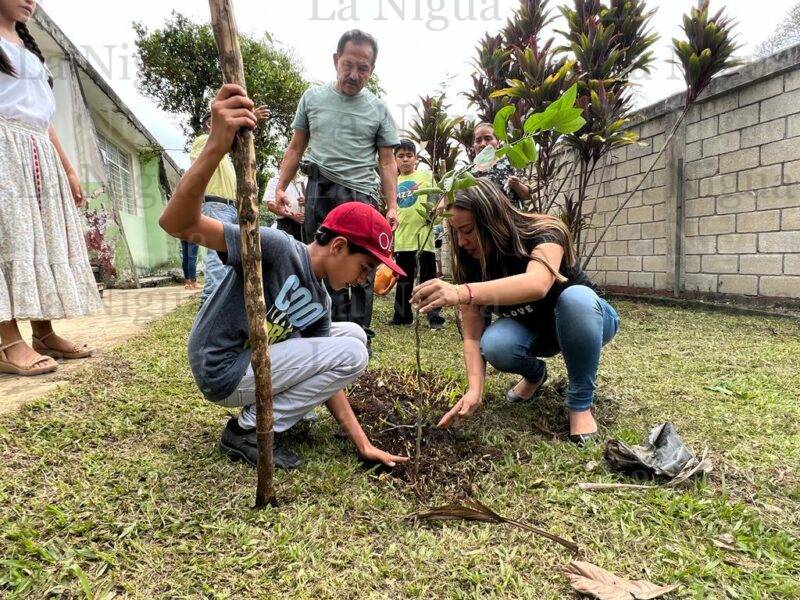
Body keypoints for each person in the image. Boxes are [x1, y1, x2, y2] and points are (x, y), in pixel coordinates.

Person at [159, 84, 408, 470]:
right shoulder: (276, 248)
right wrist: (217, 145)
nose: (362, 280)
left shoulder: (321, 301)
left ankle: (274, 417)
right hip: (222, 366)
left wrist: (363, 443)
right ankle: (248, 429)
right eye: (364, 267)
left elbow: (329, 372)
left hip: (254, 365)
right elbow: (177, 223)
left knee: (354, 337)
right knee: (353, 349)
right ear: (338, 246)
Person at [411, 179, 620, 445]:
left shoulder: (545, 231)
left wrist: (462, 292)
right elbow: (473, 335)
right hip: (535, 331)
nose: (461, 242)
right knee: (495, 344)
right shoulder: (472, 261)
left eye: (467, 230)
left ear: (492, 219)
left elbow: (537, 284)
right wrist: (475, 390)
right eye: (456, 233)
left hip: (588, 320)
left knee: (575, 299)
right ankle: (535, 375)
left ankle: (579, 403)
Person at [275, 29, 400, 346]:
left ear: (372, 69)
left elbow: (387, 162)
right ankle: (320, 337)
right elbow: (295, 147)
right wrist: (281, 186)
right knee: (317, 264)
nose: (354, 74)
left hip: (361, 198)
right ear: (335, 60)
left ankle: (357, 340)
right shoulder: (312, 98)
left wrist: (392, 205)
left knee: (360, 271)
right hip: (320, 190)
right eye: (348, 65)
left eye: (363, 68)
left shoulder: (379, 109)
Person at [0, 0, 99, 376]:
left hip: (37, 150)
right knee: (8, 239)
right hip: (5, 149)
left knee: (38, 239)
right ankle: (8, 342)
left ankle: (43, 333)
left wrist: (69, 169)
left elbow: (44, 119)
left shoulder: (28, 48)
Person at [192, 107, 269, 307]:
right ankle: (210, 304)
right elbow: (223, 140)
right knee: (217, 259)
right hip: (216, 205)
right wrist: (249, 120)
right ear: (210, 124)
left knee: (229, 256)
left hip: (229, 207)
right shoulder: (204, 140)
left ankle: (220, 302)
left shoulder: (224, 154)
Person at [389, 139, 444, 330]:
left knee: (428, 280)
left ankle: (434, 317)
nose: (405, 159)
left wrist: (436, 211)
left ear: (416, 158)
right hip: (402, 239)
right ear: (395, 160)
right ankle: (402, 316)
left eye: (409, 155)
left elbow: (439, 198)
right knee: (403, 281)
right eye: (400, 156)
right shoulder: (392, 182)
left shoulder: (425, 176)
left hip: (424, 238)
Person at [471, 122, 530, 209]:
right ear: (474, 145)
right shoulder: (467, 173)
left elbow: (527, 196)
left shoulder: (510, 162)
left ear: (498, 143)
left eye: (488, 139)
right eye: (478, 140)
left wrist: (516, 185)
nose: (483, 144)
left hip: (511, 217)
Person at [264, 169, 305, 241]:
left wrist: (307, 202)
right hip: (286, 224)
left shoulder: (305, 180)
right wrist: (292, 216)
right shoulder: (275, 181)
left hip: (307, 224)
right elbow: (270, 205)